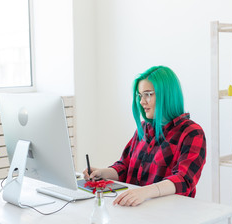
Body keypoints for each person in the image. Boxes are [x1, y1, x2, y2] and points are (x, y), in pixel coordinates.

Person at [83, 66, 206, 207]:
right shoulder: (143, 129)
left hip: (169, 213)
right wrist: (102, 173)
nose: (142, 102)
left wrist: (144, 192)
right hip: (136, 209)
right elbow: (125, 166)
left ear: (167, 94)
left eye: (148, 94)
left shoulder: (192, 133)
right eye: (140, 95)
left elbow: (183, 180)